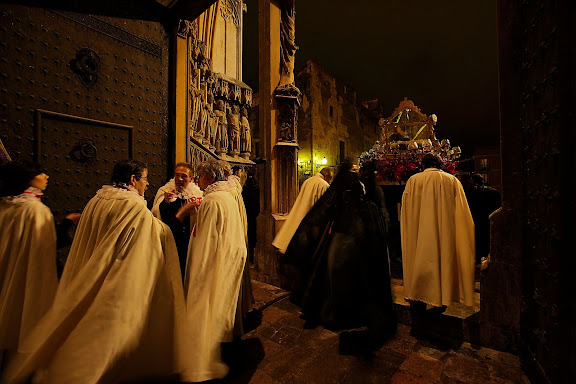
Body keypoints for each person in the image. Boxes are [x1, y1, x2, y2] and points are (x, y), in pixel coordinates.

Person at [2, 159, 187, 383]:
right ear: (133, 179)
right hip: (112, 281)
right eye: (145, 179)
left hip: (86, 272)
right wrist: (179, 217)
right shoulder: (134, 206)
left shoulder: (97, 198)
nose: (146, 184)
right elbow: (147, 238)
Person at [284, 160, 397, 346]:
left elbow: (321, 215)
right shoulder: (347, 191)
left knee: (345, 279)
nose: (356, 174)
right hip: (345, 238)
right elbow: (321, 215)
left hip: (349, 239)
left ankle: (345, 314)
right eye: (353, 171)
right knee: (340, 278)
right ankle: (343, 315)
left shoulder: (358, 192)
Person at [181, 160, 247, 383]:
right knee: (223, 306)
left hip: (214, 261)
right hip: (229, 256)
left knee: (211, 308)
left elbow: (206, 239)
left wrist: (198, 271)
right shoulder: (226, 196)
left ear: (210, 177)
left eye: (199, 176)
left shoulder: (212, 199)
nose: (197, 180)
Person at [0, 161, 59, 369]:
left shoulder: (6, 205)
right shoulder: (35, 210)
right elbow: (42, 252)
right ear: (29, 178)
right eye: (41, 173)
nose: (46, 177)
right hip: (26, 279)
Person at [401, 153, 475, 309]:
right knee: (444, 260)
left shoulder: (413, 181)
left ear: (424, 165)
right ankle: (444, 294)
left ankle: (418, 293)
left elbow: (406, 213)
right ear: (441, 165)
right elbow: (463, 215)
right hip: (445, 233)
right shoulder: (452, 181)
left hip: (419, 233)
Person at [151, 162, 202, 277]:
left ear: (191, 178)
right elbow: (156, 214)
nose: (179, 179)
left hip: (187, 242)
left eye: (184, 176)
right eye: (177, 175)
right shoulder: (164, 191)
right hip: (170, 238)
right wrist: (166, 202)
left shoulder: (197, 193)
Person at [272, 167, 334, 254]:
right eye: (330, 179)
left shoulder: (308, 181)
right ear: (326, 175)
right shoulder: (324, 185)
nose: (329, 181)